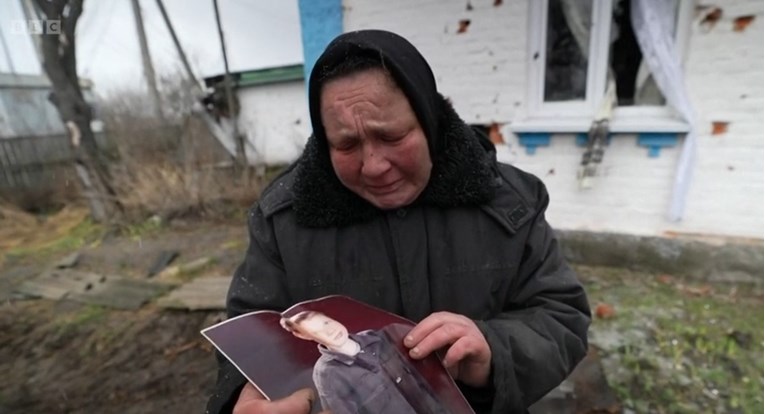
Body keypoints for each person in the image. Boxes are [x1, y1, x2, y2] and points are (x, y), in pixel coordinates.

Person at [206, 29, 590, 414]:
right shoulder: (283, 219)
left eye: (391, 136)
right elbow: (246, 339)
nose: (374, 165)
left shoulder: (509, 203)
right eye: (347, 145)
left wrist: (493, 349)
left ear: (429, 121)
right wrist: (241, 396)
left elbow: (561, 318)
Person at [280, 311, 449, 414]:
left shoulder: (377, 338)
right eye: (318, 330)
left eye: (326, 323)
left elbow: (418, 380)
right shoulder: (328, 373)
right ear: (307, 337)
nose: (330, 330)